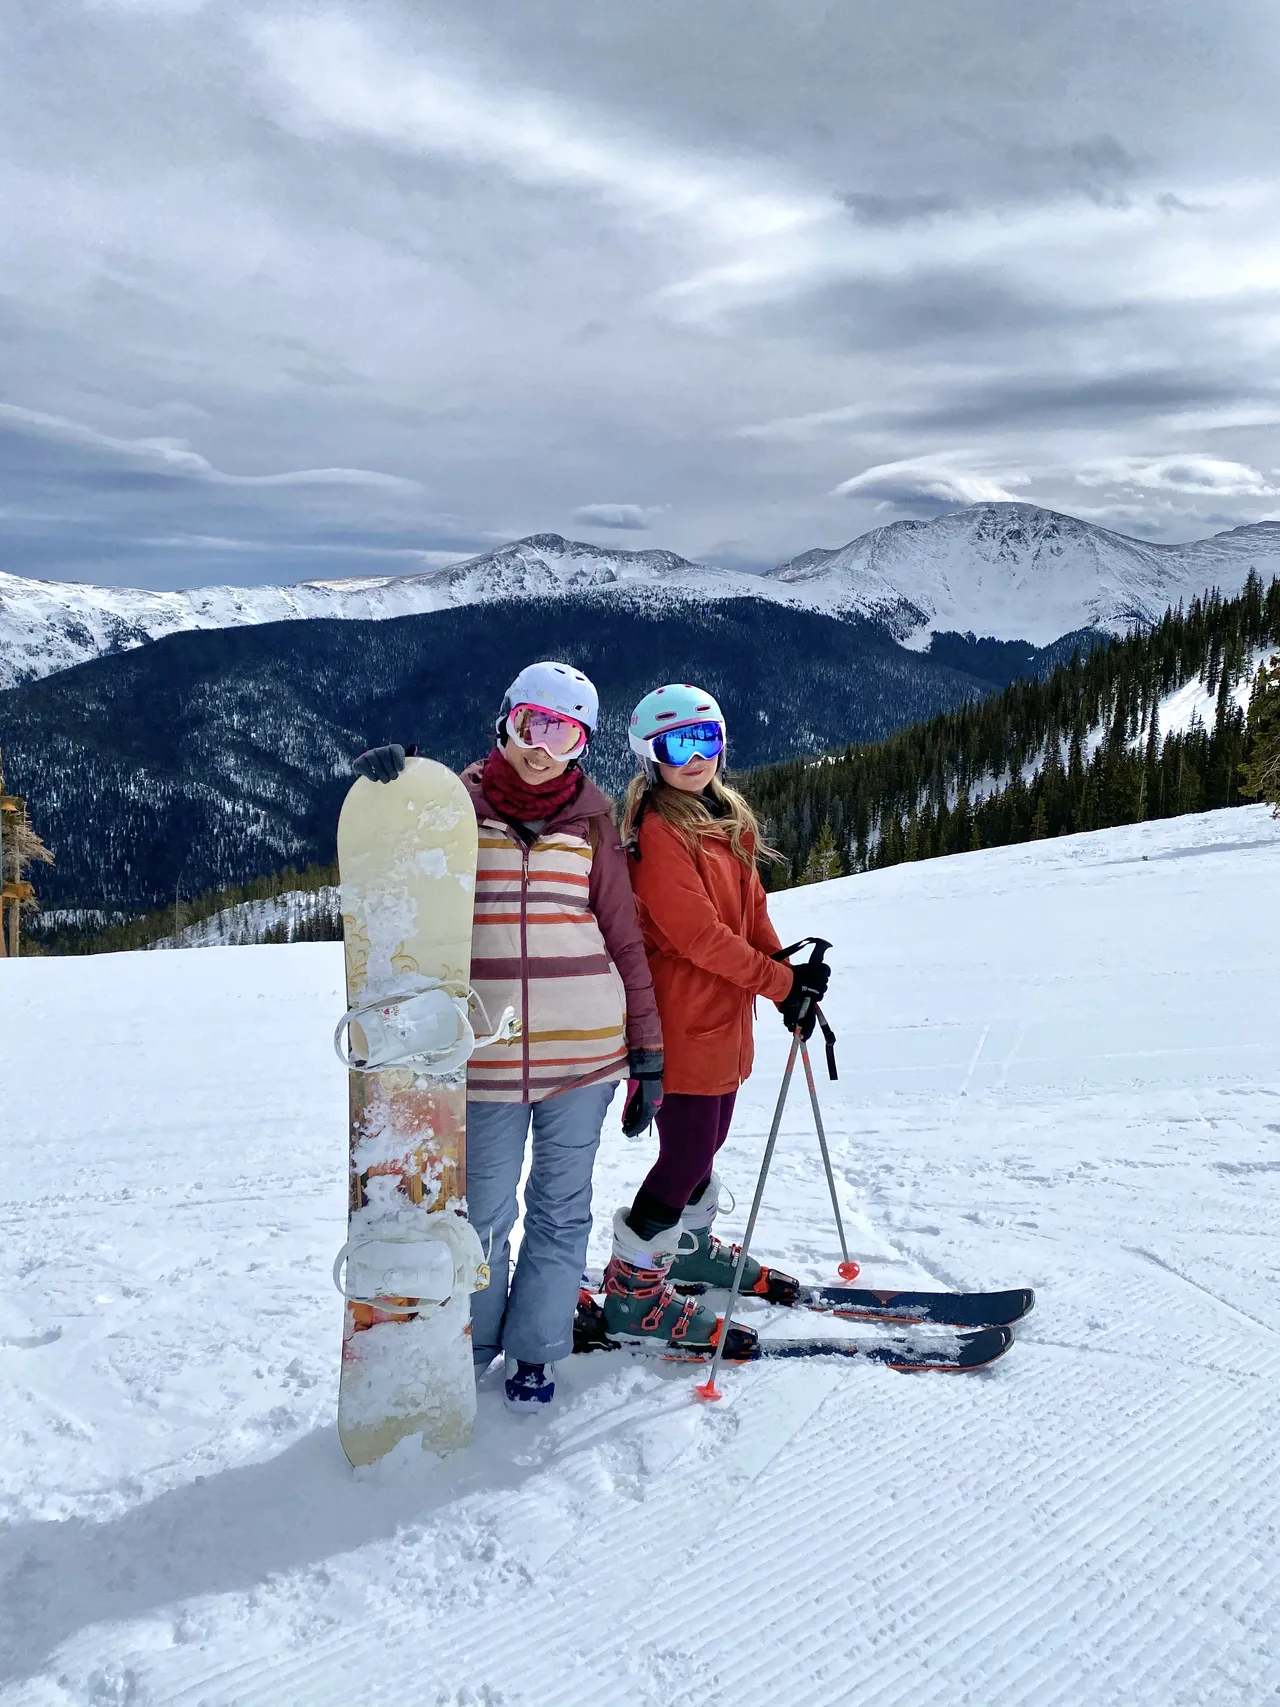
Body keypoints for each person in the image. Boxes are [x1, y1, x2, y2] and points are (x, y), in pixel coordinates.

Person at [352, 661, 663, 1411]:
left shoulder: (592, 824)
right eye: (533, 725)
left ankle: (536, 1348)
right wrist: (387, 789)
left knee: (563, 1209)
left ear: (582, 744)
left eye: (564, 733)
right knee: (482, 1214)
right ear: (506, 720)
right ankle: (473, 1342)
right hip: (484, 1061)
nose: (543, 747)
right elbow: (398, 867)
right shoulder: (457, 806)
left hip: (586, 1056)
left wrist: (647, 1051)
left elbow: (625, 940)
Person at [599, 683, 830, 1353]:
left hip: (724, 1017)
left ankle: (691, 1249)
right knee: (687, 1152)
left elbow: (751, 912)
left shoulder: (724, 815)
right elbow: (698, 935)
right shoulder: (657, 833)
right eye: (678, 744)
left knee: (711, 1139)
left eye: (706, 739)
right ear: (651, 755)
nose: (695, 756)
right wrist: (777, 982)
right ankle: (630, 1293)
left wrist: (789, 975)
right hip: (680, 1020)